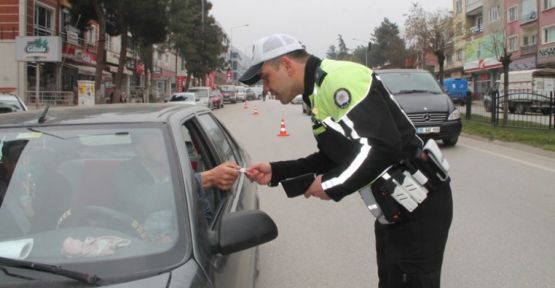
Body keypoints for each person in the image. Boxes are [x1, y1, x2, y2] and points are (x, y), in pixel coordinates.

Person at [240, 34, 453, 288]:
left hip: (419, 207)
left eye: (265, 78)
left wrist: (330, 186)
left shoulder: (339, 80)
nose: (265, 88)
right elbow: (334, 157)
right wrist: (277, 172)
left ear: (286, 65)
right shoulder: (316, 94)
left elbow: (382, 147)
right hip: (394, 209)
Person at [114, 131, 240, 242]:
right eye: (155, 139)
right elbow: (143, 200)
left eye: (164, 138)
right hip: (139, 246)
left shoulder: (180, 167)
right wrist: (204, 179)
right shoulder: (126, 172)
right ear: (139, 149)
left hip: (180, 248)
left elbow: (205, 217)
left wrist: (174, 237)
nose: (164, 143)